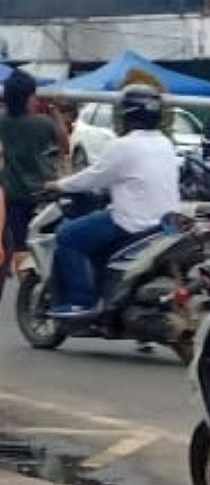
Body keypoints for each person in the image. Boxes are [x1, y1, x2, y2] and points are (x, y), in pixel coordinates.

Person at [45, 85, 180, 317]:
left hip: (131, 222)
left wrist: (58, 185)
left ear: (129, 115)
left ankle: (80, 301)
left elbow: (94, 176)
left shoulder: (124, 146)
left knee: (67, 236)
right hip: (164, 224)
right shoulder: (165, 143)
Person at [0, 70, 69, 280]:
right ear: (29, 97)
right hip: (43, 194)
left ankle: (25, 289)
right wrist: (55, 111)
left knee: (21, 248)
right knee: (50, 245)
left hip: (14, 195)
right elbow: (65, 145)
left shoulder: (3, 120)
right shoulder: (42, 123)